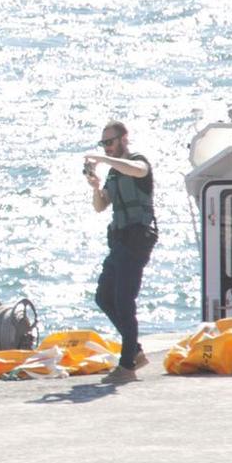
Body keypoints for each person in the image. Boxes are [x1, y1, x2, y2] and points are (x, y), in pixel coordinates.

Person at [84, 121, 156, 373]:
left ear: (124, 139)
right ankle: (134, 350)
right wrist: (95, 187)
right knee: (104, 297)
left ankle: (127, 362)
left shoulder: (137, 162)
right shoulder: (114, 173)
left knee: (124, 299)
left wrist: (102, 160)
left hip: (138, 238)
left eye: (110, 142)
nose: (107, 147)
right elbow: (100, 205)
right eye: (103, 143)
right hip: (119, 240)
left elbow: (136, 170)